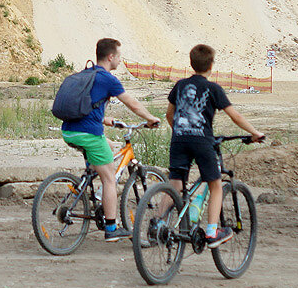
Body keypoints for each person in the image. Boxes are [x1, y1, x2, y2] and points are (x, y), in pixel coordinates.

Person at [60, 38, 161, 242]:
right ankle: (112, 228)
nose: (120, 60)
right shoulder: (108, 79)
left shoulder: (86, 73)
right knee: (109, 179)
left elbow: (86, 106)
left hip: (70, 131)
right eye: (119, 56)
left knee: (109, 146)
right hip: (88, 134)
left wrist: (105, 120)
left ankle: (91, 190)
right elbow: (132, 104)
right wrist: (150, 118)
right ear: (111, 56)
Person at [165, 44, 264, 247]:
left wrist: (180, 132)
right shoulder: (213, 88)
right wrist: (255, 133)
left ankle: (158, 225)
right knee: (216, 184)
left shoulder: (180, 85)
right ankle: (212, 231)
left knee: (175, 184)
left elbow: (169, 114)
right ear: (211, 65)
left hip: (178, 140)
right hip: (202, 141)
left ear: (191, 63)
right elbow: (234, 115)